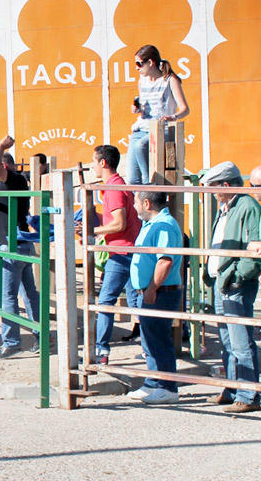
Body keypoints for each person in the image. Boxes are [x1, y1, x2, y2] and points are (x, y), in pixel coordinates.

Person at [200, 162, 261, 413]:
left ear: (225, 186)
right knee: (227, 339)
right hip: (221, 280)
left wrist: (237, 277)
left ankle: (248, 393)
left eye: (213, 187)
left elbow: (255, 246)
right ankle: (233, 387)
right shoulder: (226, 208)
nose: (212, 193)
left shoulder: (247, 206)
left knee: (240, 339)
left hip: (233, 283)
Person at [0, 137, 40, 359]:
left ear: (4, 167)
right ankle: (41, 336)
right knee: (30, 294)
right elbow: (1, 206)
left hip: (11, 246)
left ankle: (12, 342)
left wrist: (1, 145)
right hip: (20, 244)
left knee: (8, 297)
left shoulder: (12, 178)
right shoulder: (13, 183)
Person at [124, 190, 184, 405]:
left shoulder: (164, 226)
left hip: (160, 291)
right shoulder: (152, 224)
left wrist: (151, 289)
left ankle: (167, 387)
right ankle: (153, 382)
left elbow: (164, 260)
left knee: (158, 340)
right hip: (151, 291)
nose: (134, 206)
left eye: (136, 202)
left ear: (147, 203)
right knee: (149, 341)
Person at [88, 145, 142, 365]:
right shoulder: (121, 185)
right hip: (131, 249)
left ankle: (101, 350)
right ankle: (149, 348)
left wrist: (93, 231)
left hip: (121, 252)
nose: (92, 165)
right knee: (136, 302)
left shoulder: (113, 188)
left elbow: (119, 223)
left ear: (103, 163)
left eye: (93, 161)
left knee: (105, 302)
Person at [127, 45, 190, 185]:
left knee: (140, 146)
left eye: (139, 64)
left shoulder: (169, 80)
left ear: (150, 62)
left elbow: (185, 109)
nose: (137, 68)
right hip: (141, 128)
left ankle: (149, 184)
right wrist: (138, 109)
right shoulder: (142, 81)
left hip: (161, 129)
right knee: (132, 179)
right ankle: (142, 200)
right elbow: (145, 109)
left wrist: (173, 117)